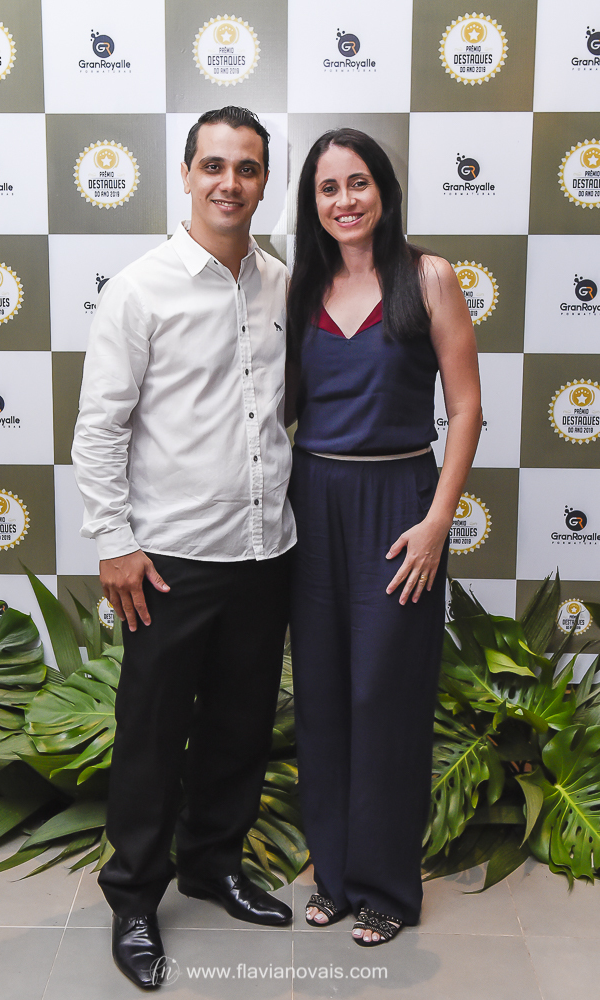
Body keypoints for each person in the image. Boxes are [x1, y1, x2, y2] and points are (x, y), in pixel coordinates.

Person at [72, 106, 295, 990]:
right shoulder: (141, 288)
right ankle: (133, 898)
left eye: (247, 168)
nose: (229, 183)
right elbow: (100, 427)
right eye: (214, 165)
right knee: (154, 735)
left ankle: (213, 865)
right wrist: (114, 542)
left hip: (265, 551)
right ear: (187, 173)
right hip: (169, 559)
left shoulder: (283, 285)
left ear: (265, 181)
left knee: (241, 726)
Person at [285, 128, 482, 946]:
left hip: (401, 504)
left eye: (358, 182)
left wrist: (437, 522)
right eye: (328, 187)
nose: (345, 200)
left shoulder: (428, 276)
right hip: (312, 499)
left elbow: (465, 408)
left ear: (384, 190)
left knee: (386, 697)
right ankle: (333, 876)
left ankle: (386, 888)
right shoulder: (300, 284)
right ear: (312, 202)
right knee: (323, 694)